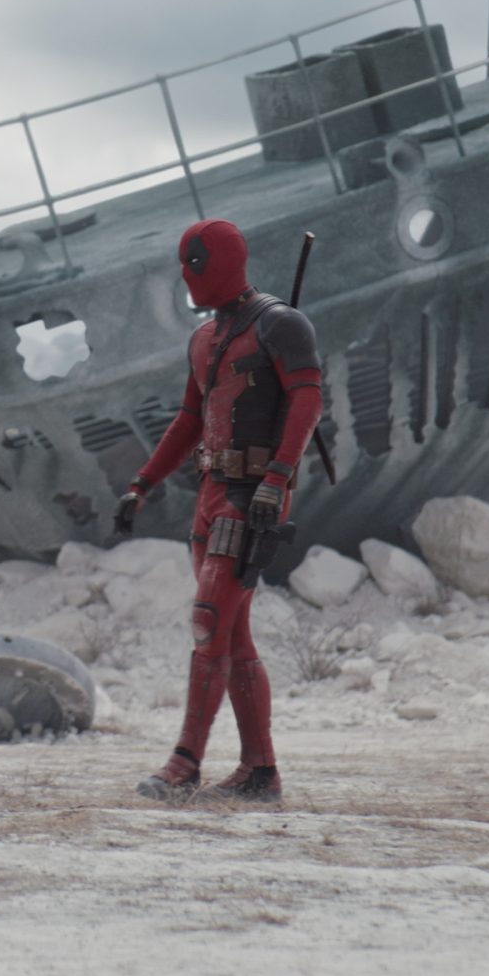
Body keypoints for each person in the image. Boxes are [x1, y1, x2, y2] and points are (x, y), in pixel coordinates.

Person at [112, 218, 323, 803]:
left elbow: (307, 400)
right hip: (213, 494)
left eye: (195, 262)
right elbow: (189, 419)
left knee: (210, 622)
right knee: (231, 635)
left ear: (222, 263)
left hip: (249, 499)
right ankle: (260, 771)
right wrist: (142, 483)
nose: (187, 275)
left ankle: (185, 763)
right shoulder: (204, 338)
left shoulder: (279, 324)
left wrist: (276, 478)